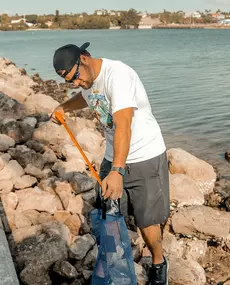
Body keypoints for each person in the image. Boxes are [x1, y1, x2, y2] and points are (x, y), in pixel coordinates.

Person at [52, 42, 170, 285]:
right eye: (68, 81)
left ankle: (158, 262)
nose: (75, 83)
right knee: (109, 214)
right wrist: (64, 107)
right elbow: (86, 97)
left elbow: (123, 124)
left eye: (75, 77)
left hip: (143, 155)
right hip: (113, 155)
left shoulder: (118, 75)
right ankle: (116, 262)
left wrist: (117, 171)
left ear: (84, 58)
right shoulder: (87, 80)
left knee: (147, 221)